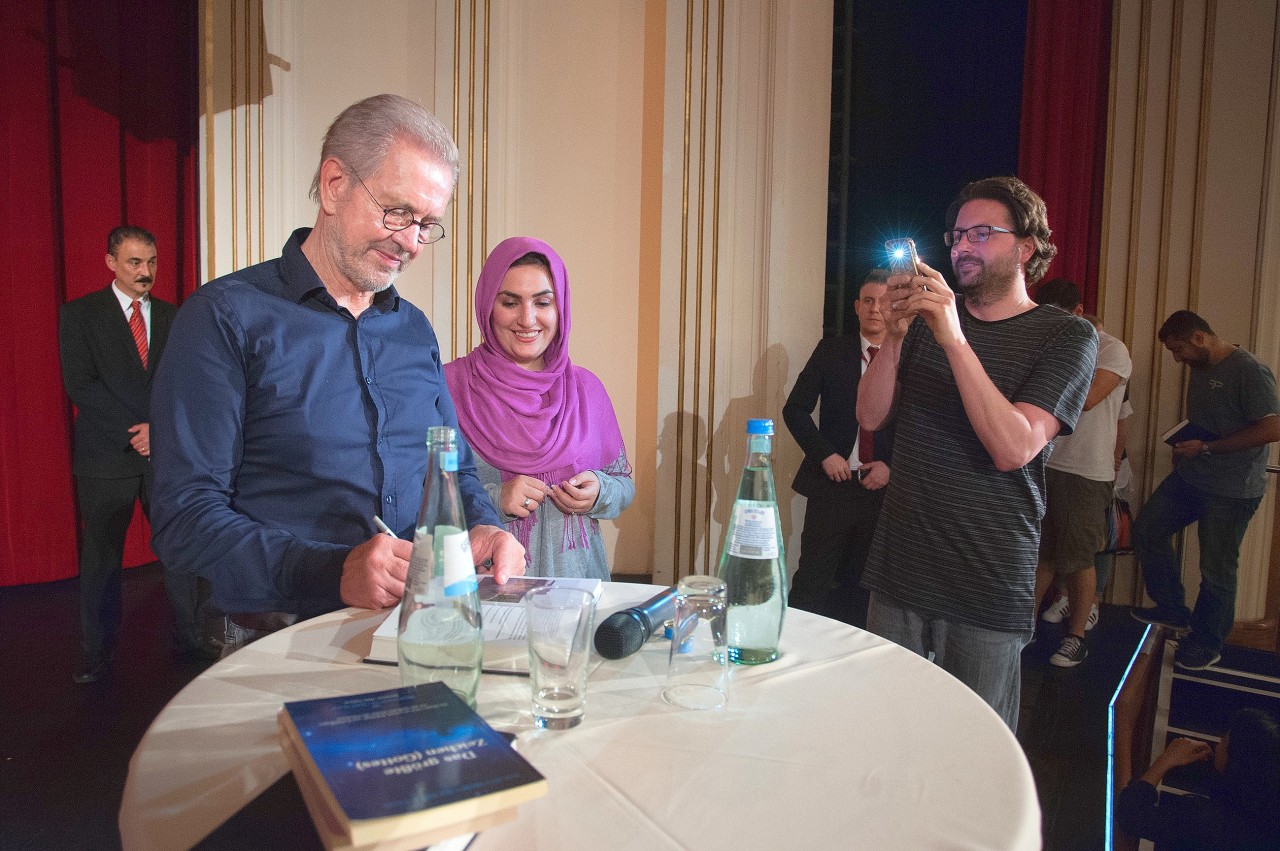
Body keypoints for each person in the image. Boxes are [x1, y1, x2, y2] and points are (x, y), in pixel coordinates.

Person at [150, 95, 524, 652]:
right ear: (333, 185)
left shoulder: (413, 330)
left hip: (414, 630)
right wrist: (333, 572)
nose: (411, 243)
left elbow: (456, 470)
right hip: (274, 641)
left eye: (426, 225)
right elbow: (185, 518)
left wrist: (485, 527)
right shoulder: (225, 317)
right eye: (397, 213)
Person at [856, 176, 1097, 729]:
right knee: (885, 731)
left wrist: (953, 337)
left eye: (982, 234)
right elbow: (869, 417)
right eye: (957, 235)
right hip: (900, 569)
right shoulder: (920, 327)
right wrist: (893, 335)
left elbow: (1013, 448)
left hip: (988, 578)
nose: (962, 247)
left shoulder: (1065, 336)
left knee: (977, 750)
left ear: (1027, 247)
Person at [58, 226, 208, 683]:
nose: (146, 273)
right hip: (106, 457)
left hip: (164, 453)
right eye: (134, 263)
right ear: (110, 262)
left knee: (180, 549)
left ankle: (194, 641)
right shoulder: (80, 315)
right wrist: (135, 432)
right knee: (102, 559)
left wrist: (158, 431)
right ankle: (97, 655)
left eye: (152, 262)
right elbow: (81, 385)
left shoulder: (173, 316)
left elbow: (186, 381)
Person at [444, 237, 633, 580]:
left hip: (579, 592)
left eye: (543, 302)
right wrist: (494, 499)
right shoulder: (450, 387)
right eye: (510, 302)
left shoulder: (585, 389)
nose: (527, 319)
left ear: (560, 309)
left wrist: (600, 490)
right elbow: (423, 497)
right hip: (489, 594)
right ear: (487, 305)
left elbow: (624, 486)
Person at [1131, 310, 1280, 670]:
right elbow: (1209, 420)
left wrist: (1209, 447)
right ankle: (1172, 608)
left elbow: (1272, 428)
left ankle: (1208, 642)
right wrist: (1187, 445)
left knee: (1216, 570)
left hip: (1232, 488)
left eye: (1179, 349)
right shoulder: (1199, 370)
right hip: (1193, 476)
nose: (1176, 359)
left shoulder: (1249, 370)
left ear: (1200, 337)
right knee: (1147, 529)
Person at [782, 270, 893, 628]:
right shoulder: (832, 351)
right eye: (869, 301)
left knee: (867, 585)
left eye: (884, 302)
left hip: (884, 490)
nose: (876, 309)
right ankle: (792, 652)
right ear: (857, 307)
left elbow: (918, 425)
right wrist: (825, 454)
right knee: (811, 579)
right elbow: (794, 409)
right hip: (834, 485)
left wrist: (892, 466)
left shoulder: (906, 357)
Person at [1030, 279, 1131, 667]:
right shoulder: (1050, 342)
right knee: (1043, 554)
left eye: (1060, 319)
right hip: (1045, 460)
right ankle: (1029, 625)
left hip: (1086, 470)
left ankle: (1076, 636)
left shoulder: (1112, 349)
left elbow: (1087, 400)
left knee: (1078, 558)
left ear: (1077, 312)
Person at [1116, 708, 1280, 850]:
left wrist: (1166, 759)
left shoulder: (1206, 822)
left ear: (1236, 760)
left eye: (1226, 739)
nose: (1219, 741)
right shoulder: (1258, 819)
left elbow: (1129, 814)